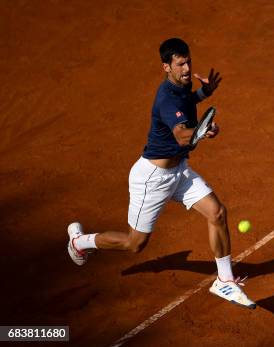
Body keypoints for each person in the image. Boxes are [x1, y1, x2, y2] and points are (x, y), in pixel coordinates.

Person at [67, 38, 255, 309]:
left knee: (217, 212)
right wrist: (201, 131)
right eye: (180, 64)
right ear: (166, 67)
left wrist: (204, 95)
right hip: (152, 179)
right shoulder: (166, 98)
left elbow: (188, 102)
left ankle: (224, 281)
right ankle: (80, 242)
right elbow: (181, 136)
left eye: (188, 61)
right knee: (134, 244)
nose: (188, 68)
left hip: (179, 172)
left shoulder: (181, 86)